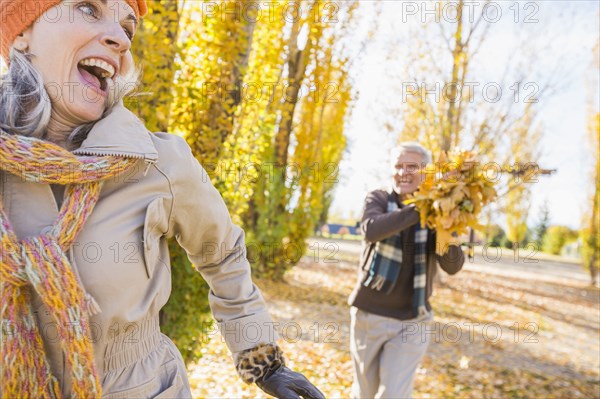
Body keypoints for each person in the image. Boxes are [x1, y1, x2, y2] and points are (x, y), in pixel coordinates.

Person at [0, 1, 324, 398]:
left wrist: (262, 359)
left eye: (128, 28)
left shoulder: (157, 163)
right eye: (88, 8)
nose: (120, 39)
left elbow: (222, 253)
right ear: (21, 32)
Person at [348, 142, 465, 399]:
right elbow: (371, 230)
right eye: (398, 166)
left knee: (393, 396)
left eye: (412, 166)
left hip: (414, 320)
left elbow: (453, 266)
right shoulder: (378, 198)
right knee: (364, 394)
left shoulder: (438, 212)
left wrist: (447, 226)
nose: (403, 172)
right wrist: (422, 207)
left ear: (426, 172)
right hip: (370, 316)